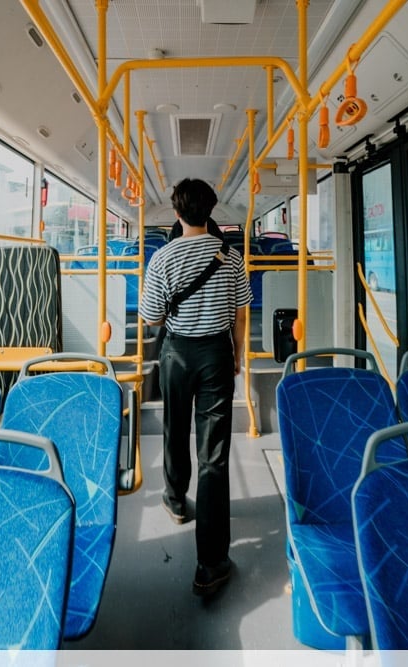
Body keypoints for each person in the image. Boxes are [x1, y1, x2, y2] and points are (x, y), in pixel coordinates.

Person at [138, 178, 253, 596]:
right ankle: (210, 562)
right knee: (214, 455)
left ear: (177, 213)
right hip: (216, 354)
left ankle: (174, 499)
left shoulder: (162, 257)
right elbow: (241, 312)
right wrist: (237, 355)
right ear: (211, 211)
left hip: (177, 354)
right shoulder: (231, 256)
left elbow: (152, 318)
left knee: (175, 429)